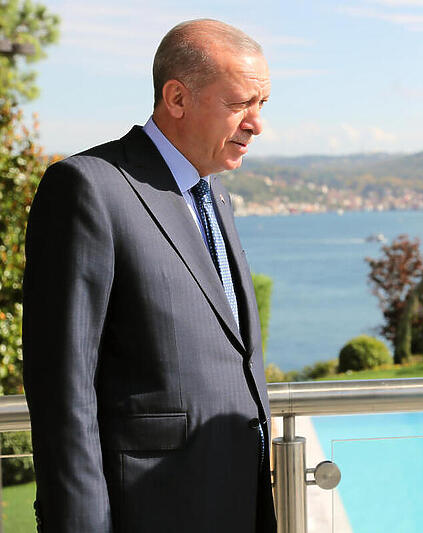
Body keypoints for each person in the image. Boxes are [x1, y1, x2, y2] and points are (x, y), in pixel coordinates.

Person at [23, 19, 277, 532]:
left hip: (236, 504)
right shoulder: (87, 187)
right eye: (238, 104)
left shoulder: (216, 197)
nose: (256, 124)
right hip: (149, 510)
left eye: (261, 105)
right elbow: (62, 391)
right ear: (177, 98)